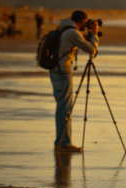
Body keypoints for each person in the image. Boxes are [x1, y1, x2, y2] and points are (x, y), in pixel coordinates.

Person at [50, 10, 99, 152]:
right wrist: (94, 34)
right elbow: (92, 50)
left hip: (56, 71)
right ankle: (64, 143)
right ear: (82, 21)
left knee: (62, 107)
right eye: (86, 22)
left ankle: (62, 141)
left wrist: (86, 36)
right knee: (64, 109)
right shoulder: (72, 32)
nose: (87, 24)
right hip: (62, 72)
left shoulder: (64, 28)